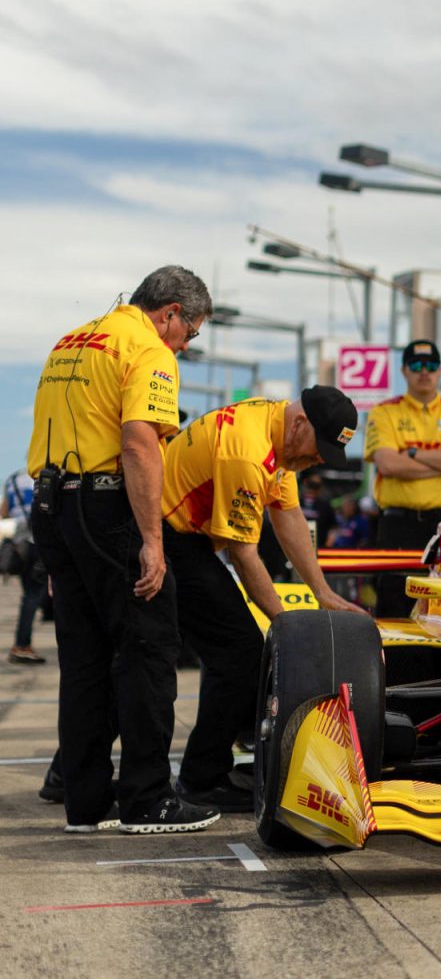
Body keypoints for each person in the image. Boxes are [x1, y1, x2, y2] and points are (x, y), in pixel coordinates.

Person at [26, 264, 219, 834]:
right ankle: (148, 799)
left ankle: (85, 803)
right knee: (149, 649)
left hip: (51, 507)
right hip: (106, 507)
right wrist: (153, 544)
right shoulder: (149, 350)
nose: (185, 347)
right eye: (191, 335)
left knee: (83, 661)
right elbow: (139, 446)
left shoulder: (72, 341)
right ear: (171, 315)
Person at [160, 388, 366, 809]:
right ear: (299, 425)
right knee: (239, 653)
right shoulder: (248, 453)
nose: (318, 462)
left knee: (236, 652)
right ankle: (202, 778)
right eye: (318, 451)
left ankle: (227, 752)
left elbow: (288, 515)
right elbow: (244, 553)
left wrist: (322, 593)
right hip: (167, 538)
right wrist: (289, 625)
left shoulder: (276, 432)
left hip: (186, 540)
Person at [366, 339, 441, 616]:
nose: (424, 371)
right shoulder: (384, 412)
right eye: (416, 365)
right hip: (397, 526)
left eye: (431, 365)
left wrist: (413, 455)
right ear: (404, 370)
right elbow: (389, 465)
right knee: (395, 606)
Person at [4, 469, 47, 664]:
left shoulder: (12, 480)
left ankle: (21, 644)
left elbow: (4, 512)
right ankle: (22, 645)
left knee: (28, 595)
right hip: (36, 541)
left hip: (19, 543)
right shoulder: (37, 477)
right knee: (33, 596)